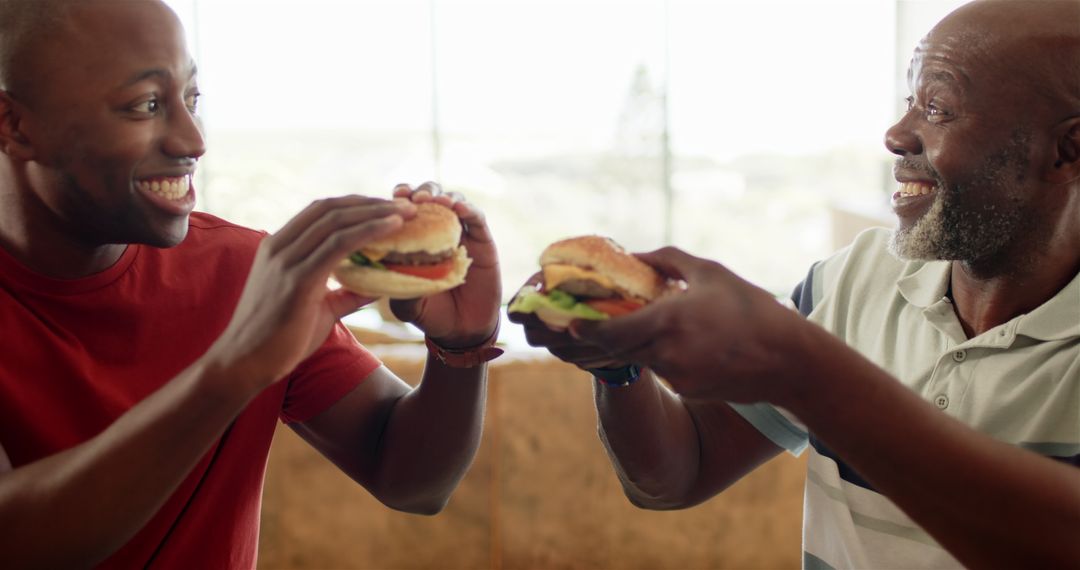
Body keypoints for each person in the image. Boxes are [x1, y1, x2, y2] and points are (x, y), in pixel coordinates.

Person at [510, 0, 1080, 568]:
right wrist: (619, 363)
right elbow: (676, 473)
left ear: (1066, 150)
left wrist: (803, 369)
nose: (897, 134)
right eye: (910, 101)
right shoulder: (850, 281)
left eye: (938, 107)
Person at [0, 0, 502, 567]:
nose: (193, 141)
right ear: (14, 125)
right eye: (146, 105)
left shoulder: (246, 271)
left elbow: (412, 482)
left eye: (193, 99)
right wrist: (233, 370)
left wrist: (460, 349)